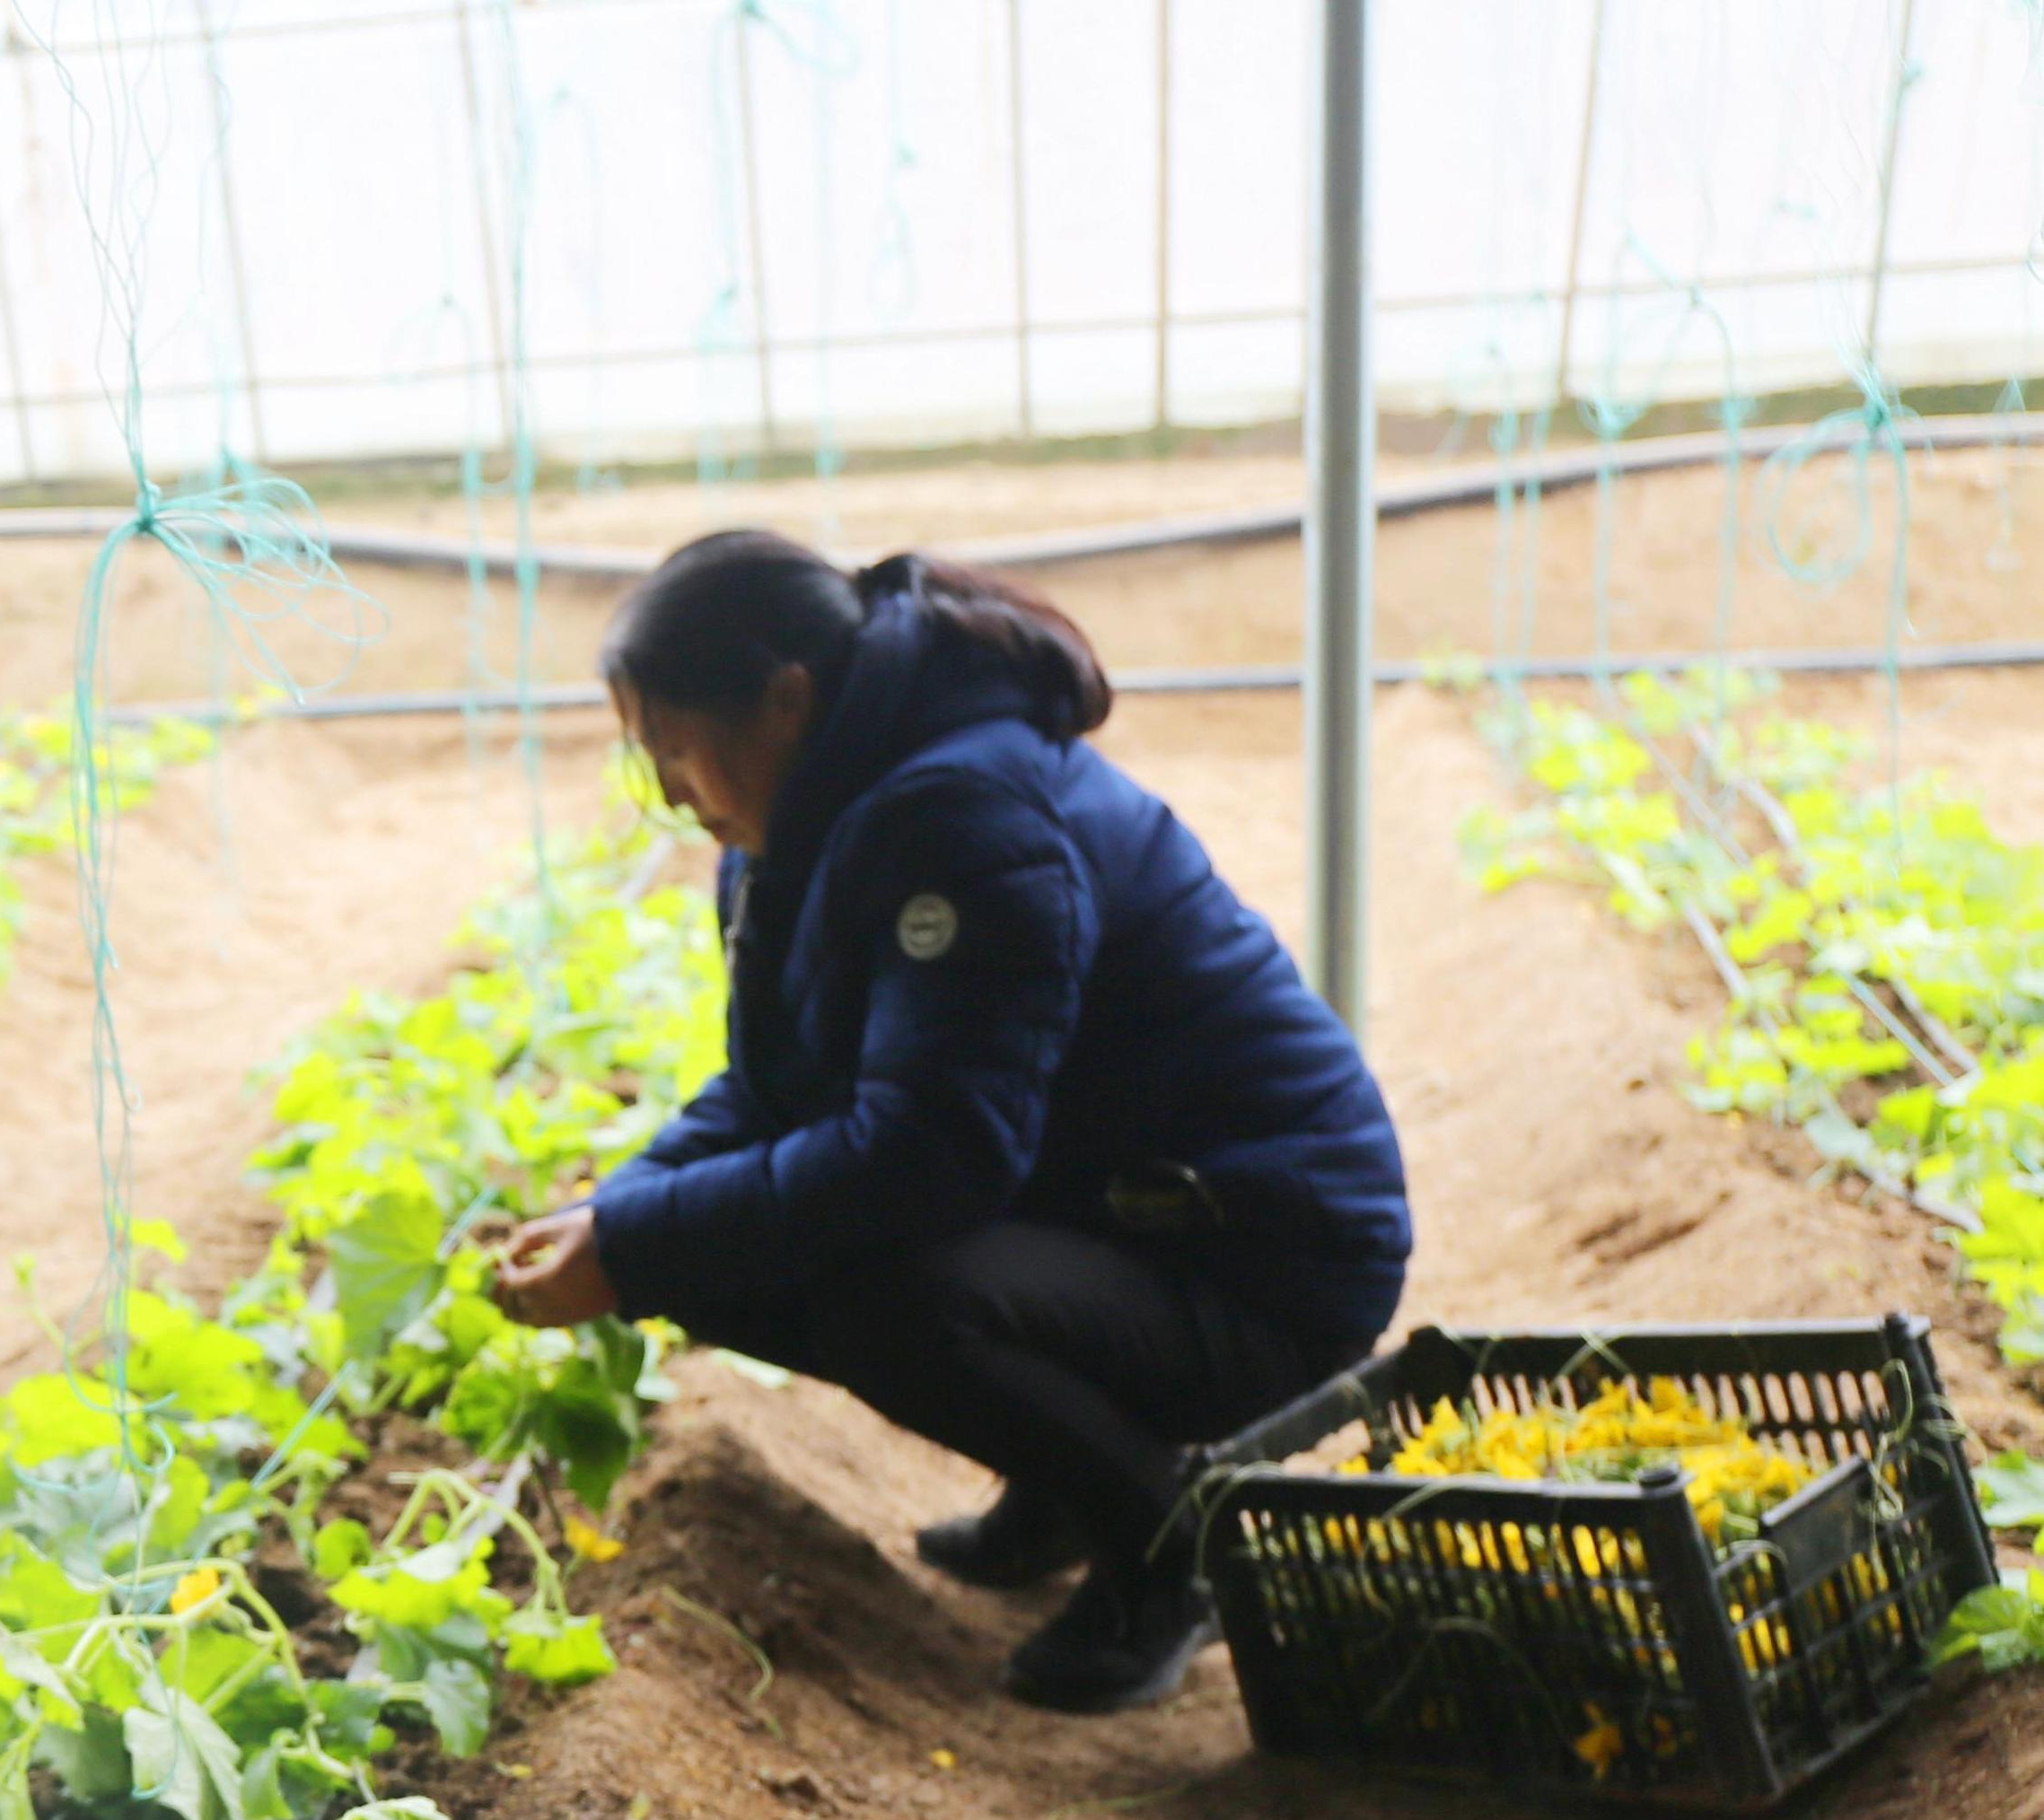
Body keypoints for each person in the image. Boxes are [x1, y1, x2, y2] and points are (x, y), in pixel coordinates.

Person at [489, 533, 1413, 1716]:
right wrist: (608, 1218)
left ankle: (1165, 1550)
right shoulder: (799, 822)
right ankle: (1066, 1480)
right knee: (709, 1257)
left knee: (875, 1293)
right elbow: (777, 1094)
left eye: (672, 750)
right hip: (1121, 1211)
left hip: (1261, 1257)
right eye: (643, 761)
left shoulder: (960, 819)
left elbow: (929, 1153)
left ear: (783, 701)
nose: (667, 794)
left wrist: (634, 1244)